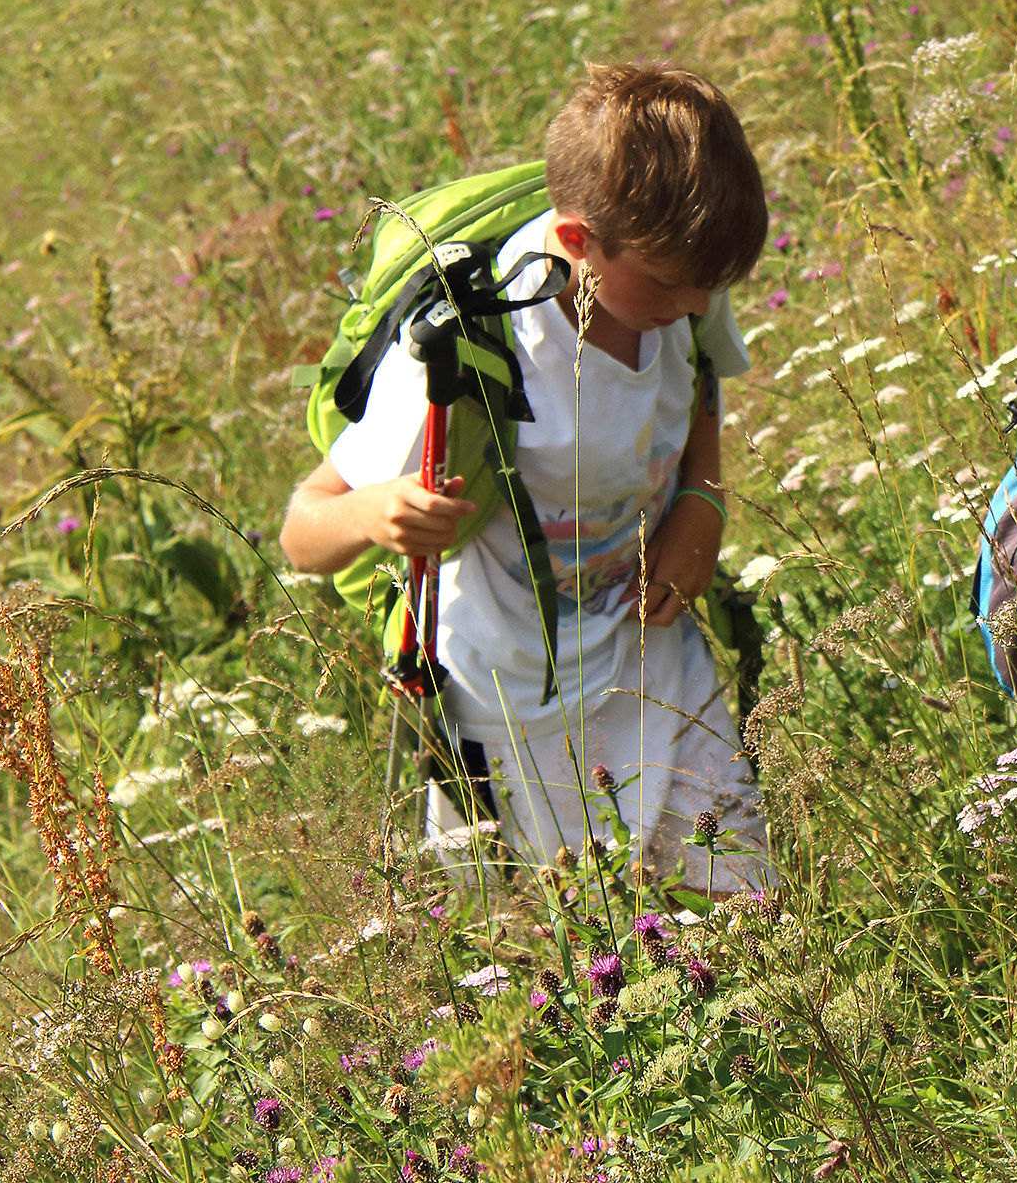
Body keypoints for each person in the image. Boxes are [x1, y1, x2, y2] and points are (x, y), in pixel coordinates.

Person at [278, 62, 772, 892]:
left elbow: (701, 386)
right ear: (577, 241)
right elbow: (303, 530)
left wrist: (700, 503)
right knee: (569, 948)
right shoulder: (473, 344)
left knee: (740, 900)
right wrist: (376, 512)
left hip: (655, 653)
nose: (693, 307)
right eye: (670, 287)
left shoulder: (677, 278)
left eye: (708, 291)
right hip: (516, 705)